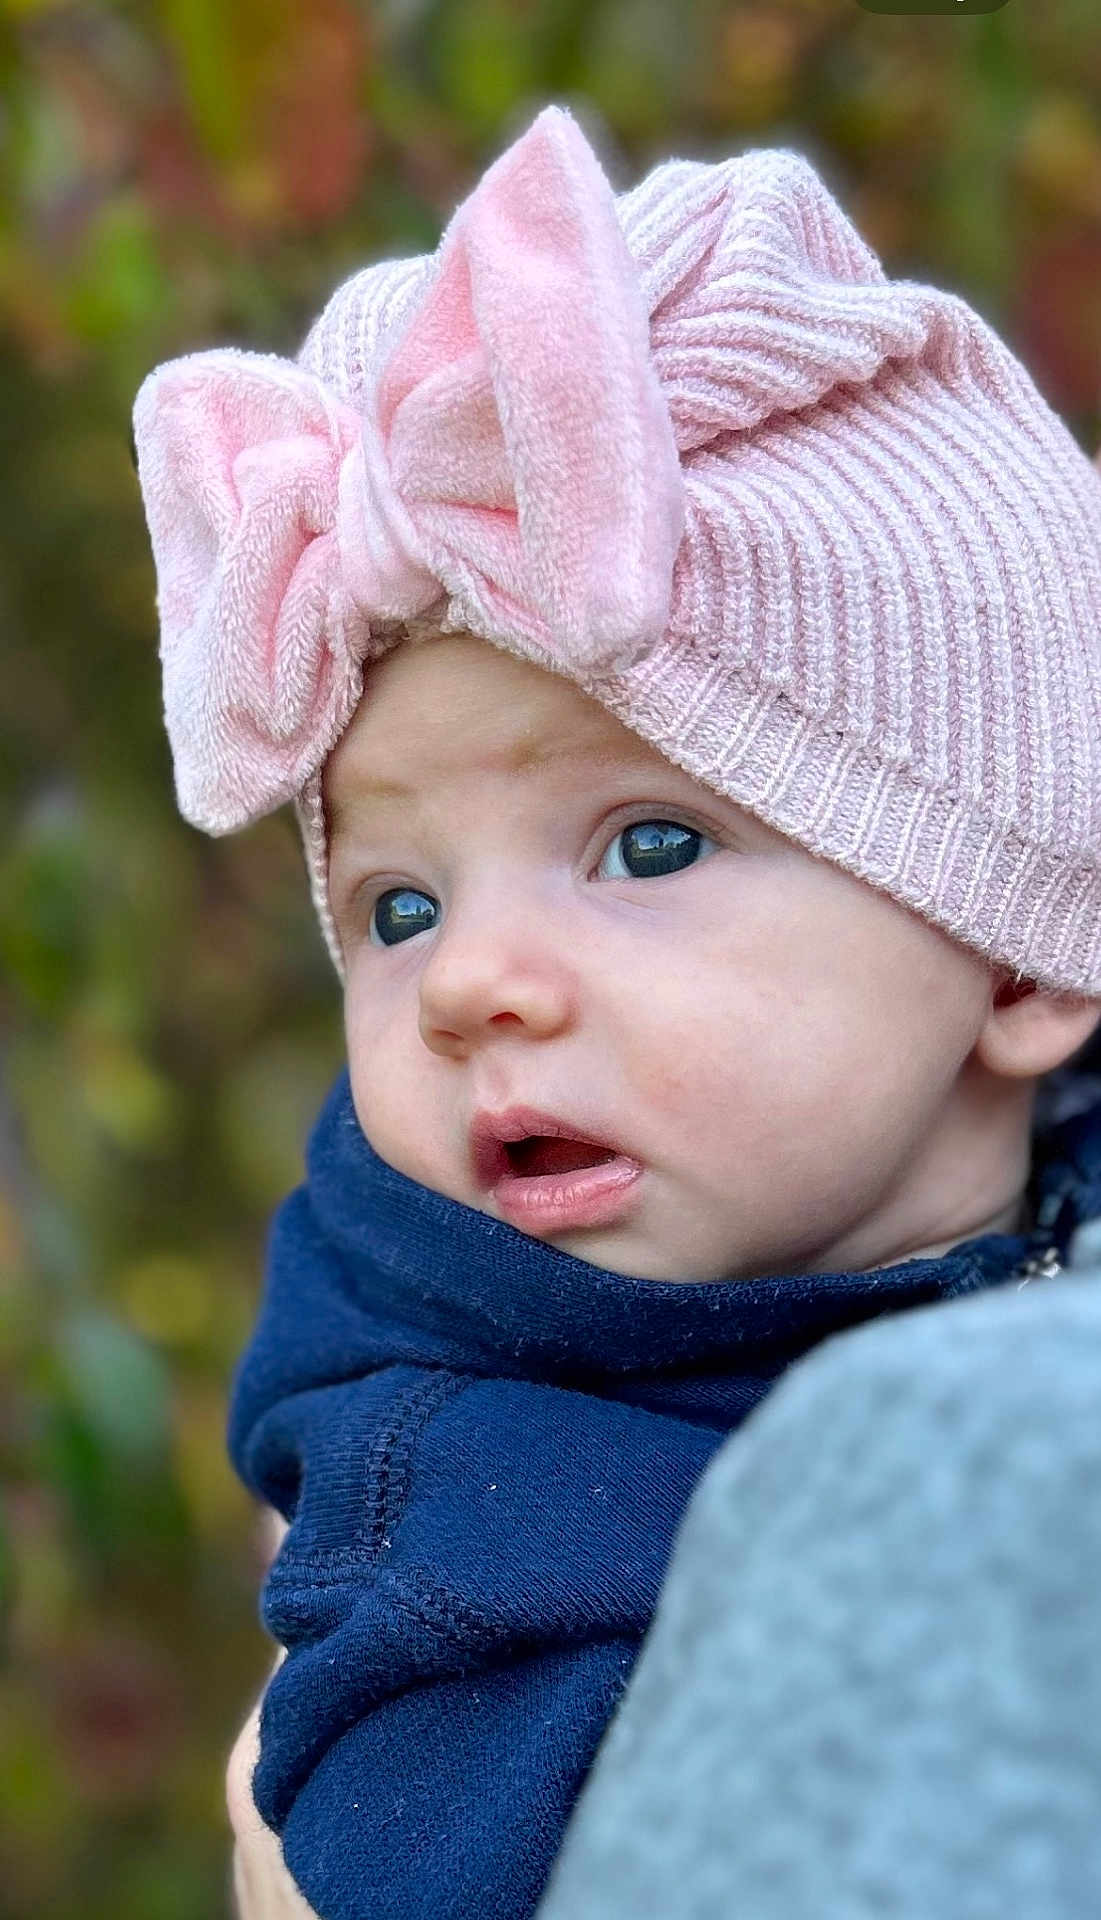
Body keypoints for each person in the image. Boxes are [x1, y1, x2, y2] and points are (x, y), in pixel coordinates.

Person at [129, 103, 1101, 1920]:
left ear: (1022, 954)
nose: (470, 988)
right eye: (396, 908)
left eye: (650, 845)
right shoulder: (473, 1511)